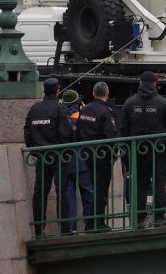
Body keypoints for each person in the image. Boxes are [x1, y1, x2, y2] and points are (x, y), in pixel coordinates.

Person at [118, 70, 166, 226]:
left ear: (140, 83)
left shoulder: (130, 103)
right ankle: (159, 217)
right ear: (155, 84)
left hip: (138, 150)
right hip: (159, 149)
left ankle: (139, 218)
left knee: (140, 184)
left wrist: (126, 154)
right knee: (159, 183)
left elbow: (123, 130)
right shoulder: (163, 103)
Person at [23, 77, 75, 237]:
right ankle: (64, 229)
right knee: (62, 191)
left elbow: (27, 132)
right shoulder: (60, 109)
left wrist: (35, 151)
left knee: (40, 192)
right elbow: (66, 133)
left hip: (42, 157)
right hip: (58, 156)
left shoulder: (35, 109)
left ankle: (39, 230)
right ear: (58, 90)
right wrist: (66, 152)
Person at [76, 81, 119, 232]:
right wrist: (113, 156)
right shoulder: (107, 112)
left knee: (89, 191)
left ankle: (89, 223)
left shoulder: (85, 109)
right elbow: (111, 135)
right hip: (101, 158)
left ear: (94, 93)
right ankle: (97, 223)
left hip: (84, 155)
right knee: (100, 191)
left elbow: (78, 132)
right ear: (107, 94)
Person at [59, 89, 92, 235]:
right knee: (87, 194)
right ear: (77, 102)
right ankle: (90, 224)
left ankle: (70, 228)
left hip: (65, 162)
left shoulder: (61, 117)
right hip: (82, 162)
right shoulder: (82, 117)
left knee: (68, 197)